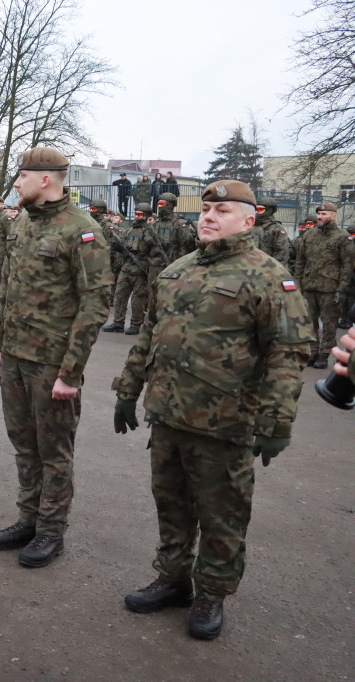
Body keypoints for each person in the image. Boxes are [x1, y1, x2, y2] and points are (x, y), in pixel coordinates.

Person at [112, 179, 312, 641]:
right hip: (167, 415)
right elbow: (149, 335)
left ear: (249, 218)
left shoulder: (266, 275)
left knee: (223, 515)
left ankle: (212, 593)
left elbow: (289, 353)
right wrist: (128, 390)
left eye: (222, 210)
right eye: (206, 209)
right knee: (172, 504)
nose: (208, 216)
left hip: (224, 423)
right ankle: (174, 578)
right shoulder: (177, 269)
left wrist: (277, 421)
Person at [0, 147, 112, 567]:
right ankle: (28, 518)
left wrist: (70, 372)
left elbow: (94, 304)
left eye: (21, 176)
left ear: (44, 179)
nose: (16, 184)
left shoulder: (82, 230)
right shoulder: (21, 223)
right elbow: (7, 289)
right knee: (24, 445)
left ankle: (51, 531)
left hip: (53, 365)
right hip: (17, 357)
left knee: (53, 450)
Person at [294, 202, 352, 368]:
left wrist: (341, 290)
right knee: (309, 322)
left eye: (324, 214)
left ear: (333, 216)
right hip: (309, 287)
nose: (320, 217)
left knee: (329, 324)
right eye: (319, 214)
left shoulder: (342, 237)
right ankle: (312, 352)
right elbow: (300, 261)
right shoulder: (309, 235)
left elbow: (347, 265)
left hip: (330, 288)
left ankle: (324, 355)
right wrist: (298, 283)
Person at [102, 204, 151, 334]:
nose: (136, 216)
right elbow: (123, 242)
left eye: (140, 214)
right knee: (119, 295)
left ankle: (135, 324)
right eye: (136, 214)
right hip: (127, 266)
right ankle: (118, 322)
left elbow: (153, 249)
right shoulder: (130, 229)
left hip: (139, 268)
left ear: (146, 215)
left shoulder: (149, 231)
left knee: (138, 299)